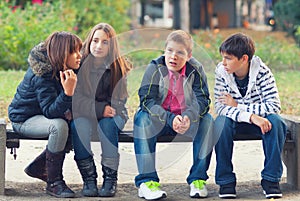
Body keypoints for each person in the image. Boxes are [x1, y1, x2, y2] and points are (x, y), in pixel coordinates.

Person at [133, 30, 214, 200]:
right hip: (160, 121)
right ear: (164, 51)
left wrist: (188, 116)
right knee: (142, 118)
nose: (173, 56)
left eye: (180, 52)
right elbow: (147, 100)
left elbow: (203, 100)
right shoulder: (154, 67)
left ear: (189, 55)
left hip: (186, 122)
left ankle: (198, 180)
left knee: (207, 120)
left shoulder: (195, 69)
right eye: (169, 50)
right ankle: (147, 182)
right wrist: (170, 118)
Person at [8, 31, 82, 198]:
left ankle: (39, 166)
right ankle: (54, 182)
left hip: (44, 115)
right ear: (62, 54)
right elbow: (50, 110)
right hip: (25, 119)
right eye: (74, 51)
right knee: (59, 126)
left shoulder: (69, 67)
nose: (79, 56)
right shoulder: (42, 73)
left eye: (80, 50)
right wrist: (68, 94)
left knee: (75, 123)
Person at [213, 33, 287, 199]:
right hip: (236, 120)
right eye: (223, 58)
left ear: (244, 59)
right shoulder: (222, 72)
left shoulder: (262, 73)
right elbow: (220, 107)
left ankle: (271, 179)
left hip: (261, 122)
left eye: (228, 58)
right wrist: (251, 116)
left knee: (276, 121)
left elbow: (274, 106)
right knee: (220, 123)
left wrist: (239, 106)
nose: (223, 62)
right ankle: (226, 181)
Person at [70, 23, 132, 197]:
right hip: (86, 113)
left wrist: (104, 110)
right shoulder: (79, 65)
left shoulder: (118, 67)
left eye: (105, 42)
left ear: (111, 46)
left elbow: (119, 101)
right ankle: (89, 179)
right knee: (78, 126)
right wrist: (98, 109)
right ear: (89, 42)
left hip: (114, 114)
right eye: (95, 40)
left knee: (107, 126)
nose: (99, 46)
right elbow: (74, 99)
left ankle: (110, 180)